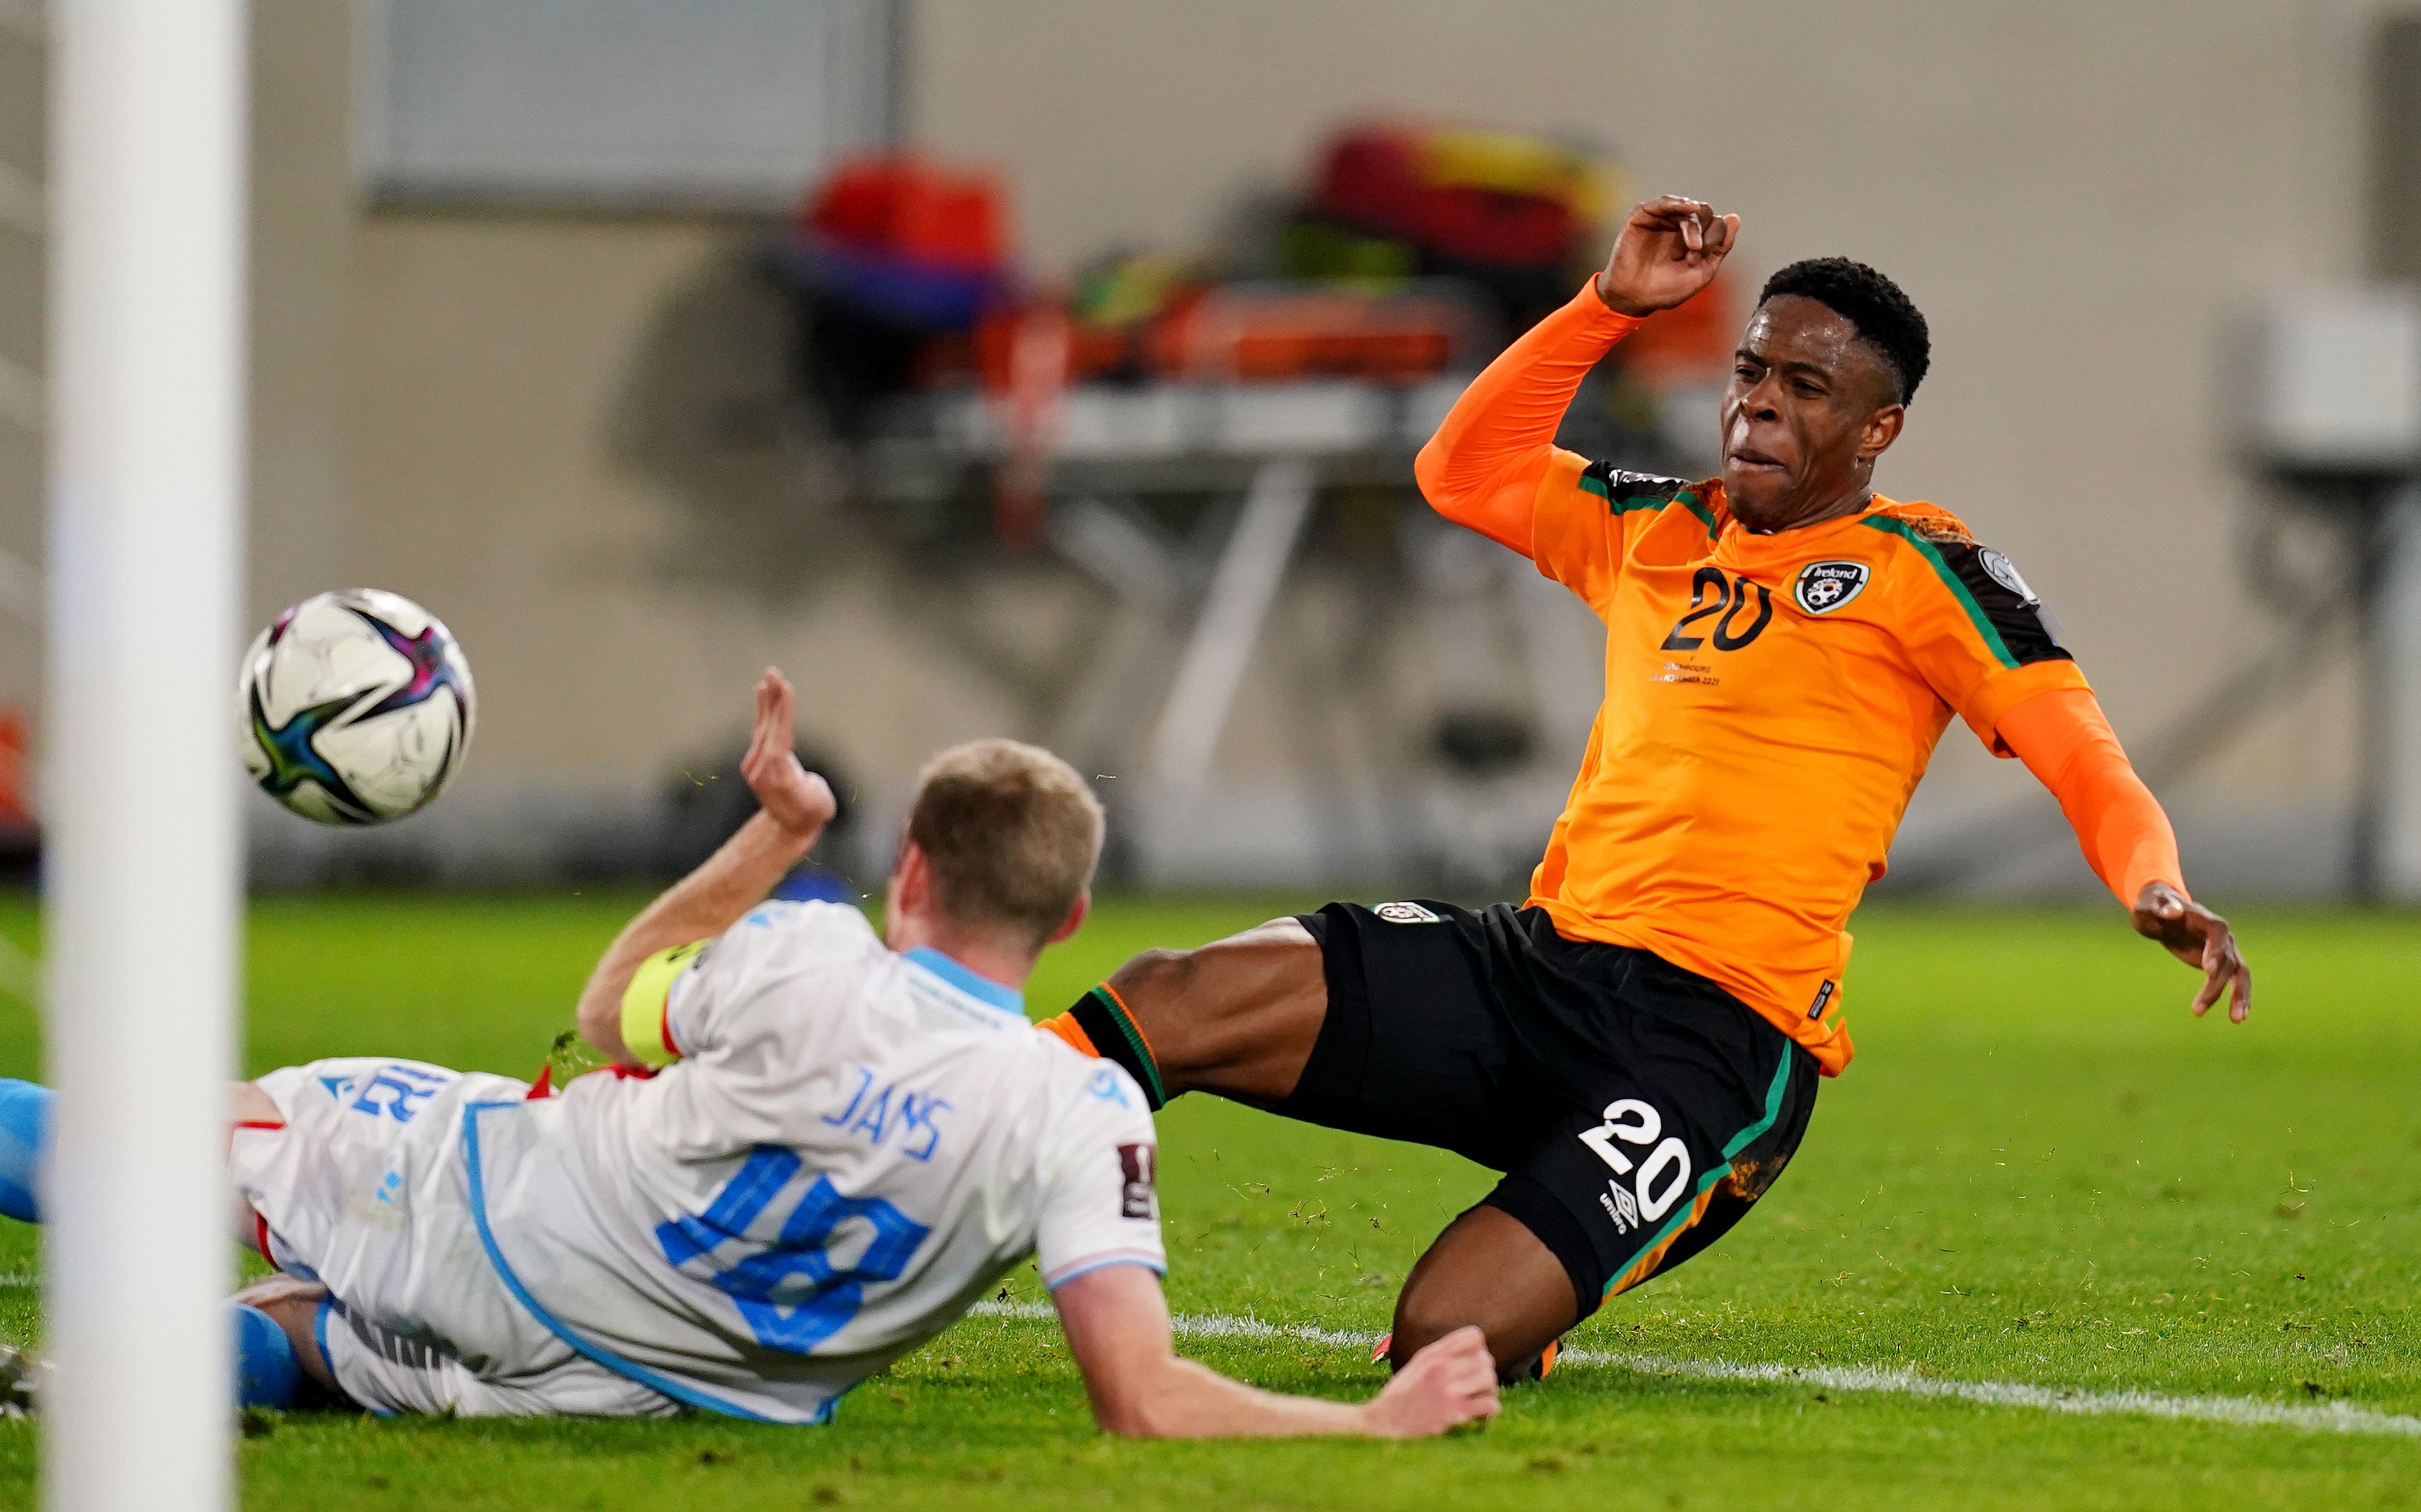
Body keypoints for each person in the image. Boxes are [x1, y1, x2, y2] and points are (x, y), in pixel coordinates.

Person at [1036, 196, 2254, 1382]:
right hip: (1537, 968)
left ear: (1877, 431)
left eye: (1805, 387)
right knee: (1169, 997)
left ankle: (1553, 1266)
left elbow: (2084, 752)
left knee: (1442, 1337)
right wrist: (1604, 306)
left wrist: (2154, 883)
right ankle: (925, 1161)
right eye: (1751, 370)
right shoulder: (1653, 528)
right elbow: (1460, 471)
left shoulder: (1925, 570)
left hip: (1713, 1044)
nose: (1760, 403)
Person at [0, 670, 1499, 1436]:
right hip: (646, 1387)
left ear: (907, 867)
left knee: (180, 1136)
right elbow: (1141, 1390)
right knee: (321, 1332)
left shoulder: (809, 949)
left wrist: (779, 836)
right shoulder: (1088, 1105)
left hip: (510, 1220)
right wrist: (1368, 1418)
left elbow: (610, 1007)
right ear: (1075, 913)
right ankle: (101, 1380)